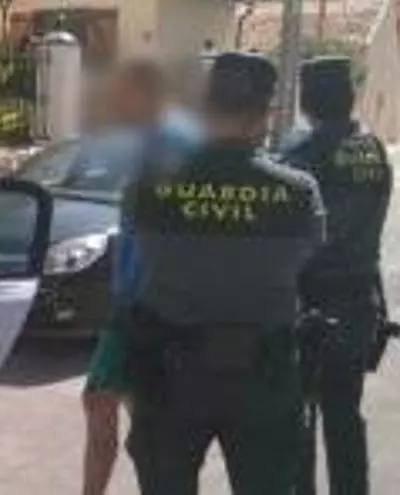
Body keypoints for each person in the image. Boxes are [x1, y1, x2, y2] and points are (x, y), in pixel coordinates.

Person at [123, 52, 326, 495]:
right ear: (264, 115)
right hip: (264, 380)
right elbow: (306, 259)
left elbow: (139, 254)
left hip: (169, 376)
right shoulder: (299, 192)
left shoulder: (150, 184)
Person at [80, 58, 202, 495]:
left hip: (144, 304)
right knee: (130, 408)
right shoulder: (155, 139)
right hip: (137, 302)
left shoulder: (173, 142)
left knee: (104, 401)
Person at [283, 56, 393, 495]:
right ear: (350, 97)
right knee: (345, 413)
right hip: (360, 300)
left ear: (307, 102)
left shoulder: (303, 156)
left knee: (300, 417)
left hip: (311, 304)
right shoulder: (374, 150)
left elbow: (294, 237)